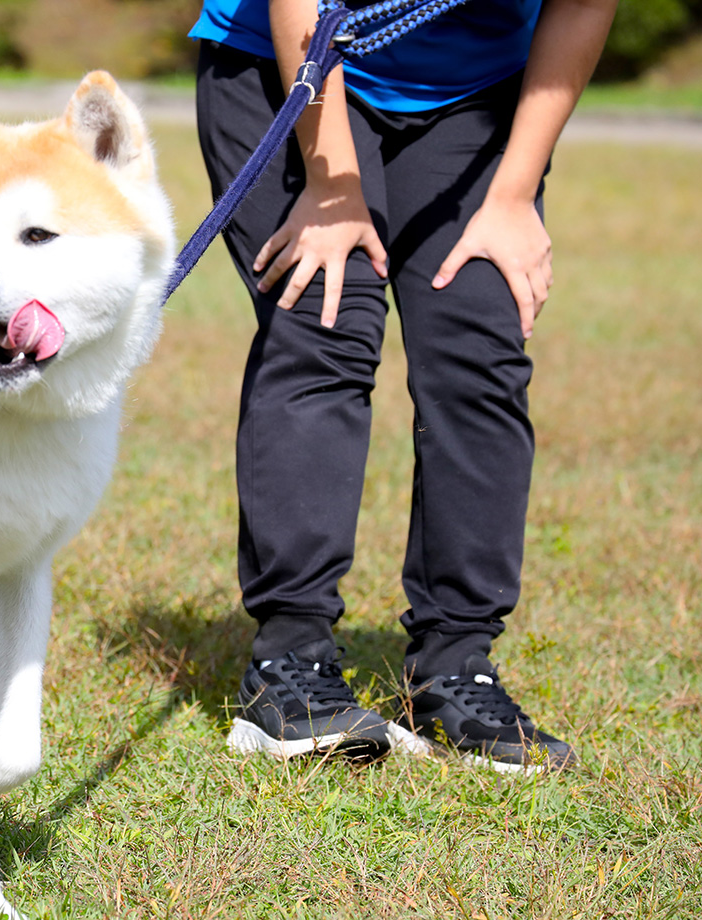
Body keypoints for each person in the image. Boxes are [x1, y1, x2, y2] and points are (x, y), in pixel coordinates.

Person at [190, 0, 617, 770]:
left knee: (478, 349)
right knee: (324, 318)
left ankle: (456, 666)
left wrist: (513, 194)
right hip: (287, 59)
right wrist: (330, 182)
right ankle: (288, 662)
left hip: (471, 92)